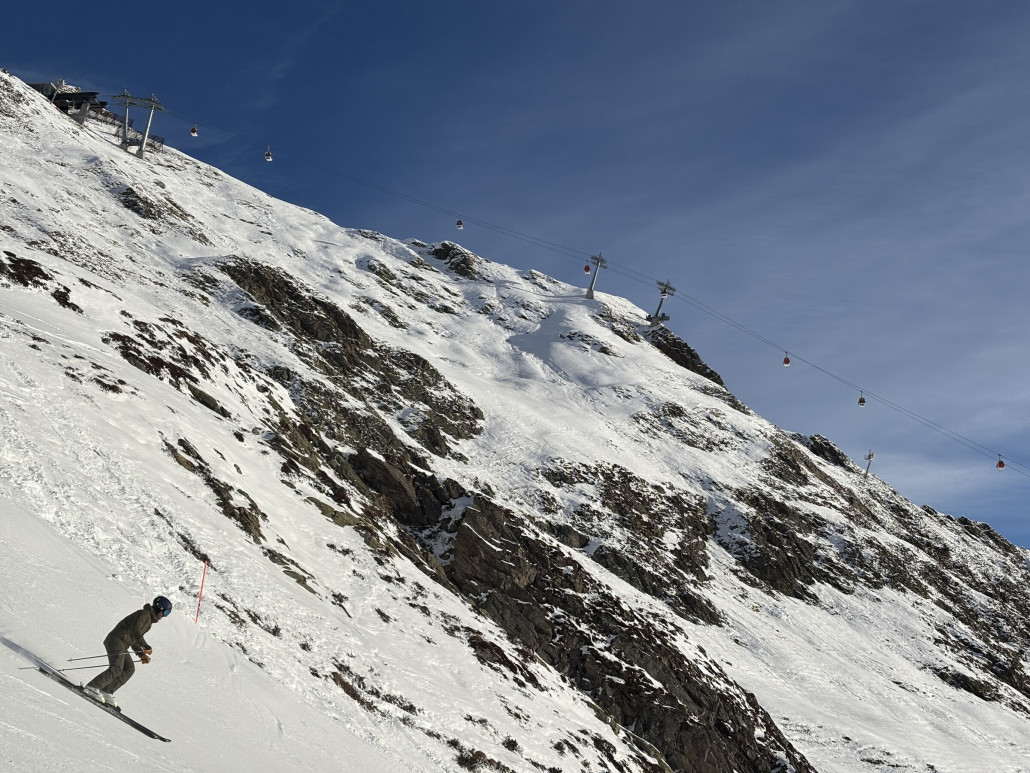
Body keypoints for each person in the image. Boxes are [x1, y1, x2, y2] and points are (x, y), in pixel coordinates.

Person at [82, 596, 172, 708]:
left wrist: (141, 654)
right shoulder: (143, 614)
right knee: (116, 668)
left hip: (123, 644)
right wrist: (144, 645)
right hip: (116, 639)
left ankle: (107, 691)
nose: (164, 616)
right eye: (166, 612)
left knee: (129, 668)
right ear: (159, 608)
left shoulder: (148, 622)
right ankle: (92, 687)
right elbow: (135, 631)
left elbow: (134, 639)